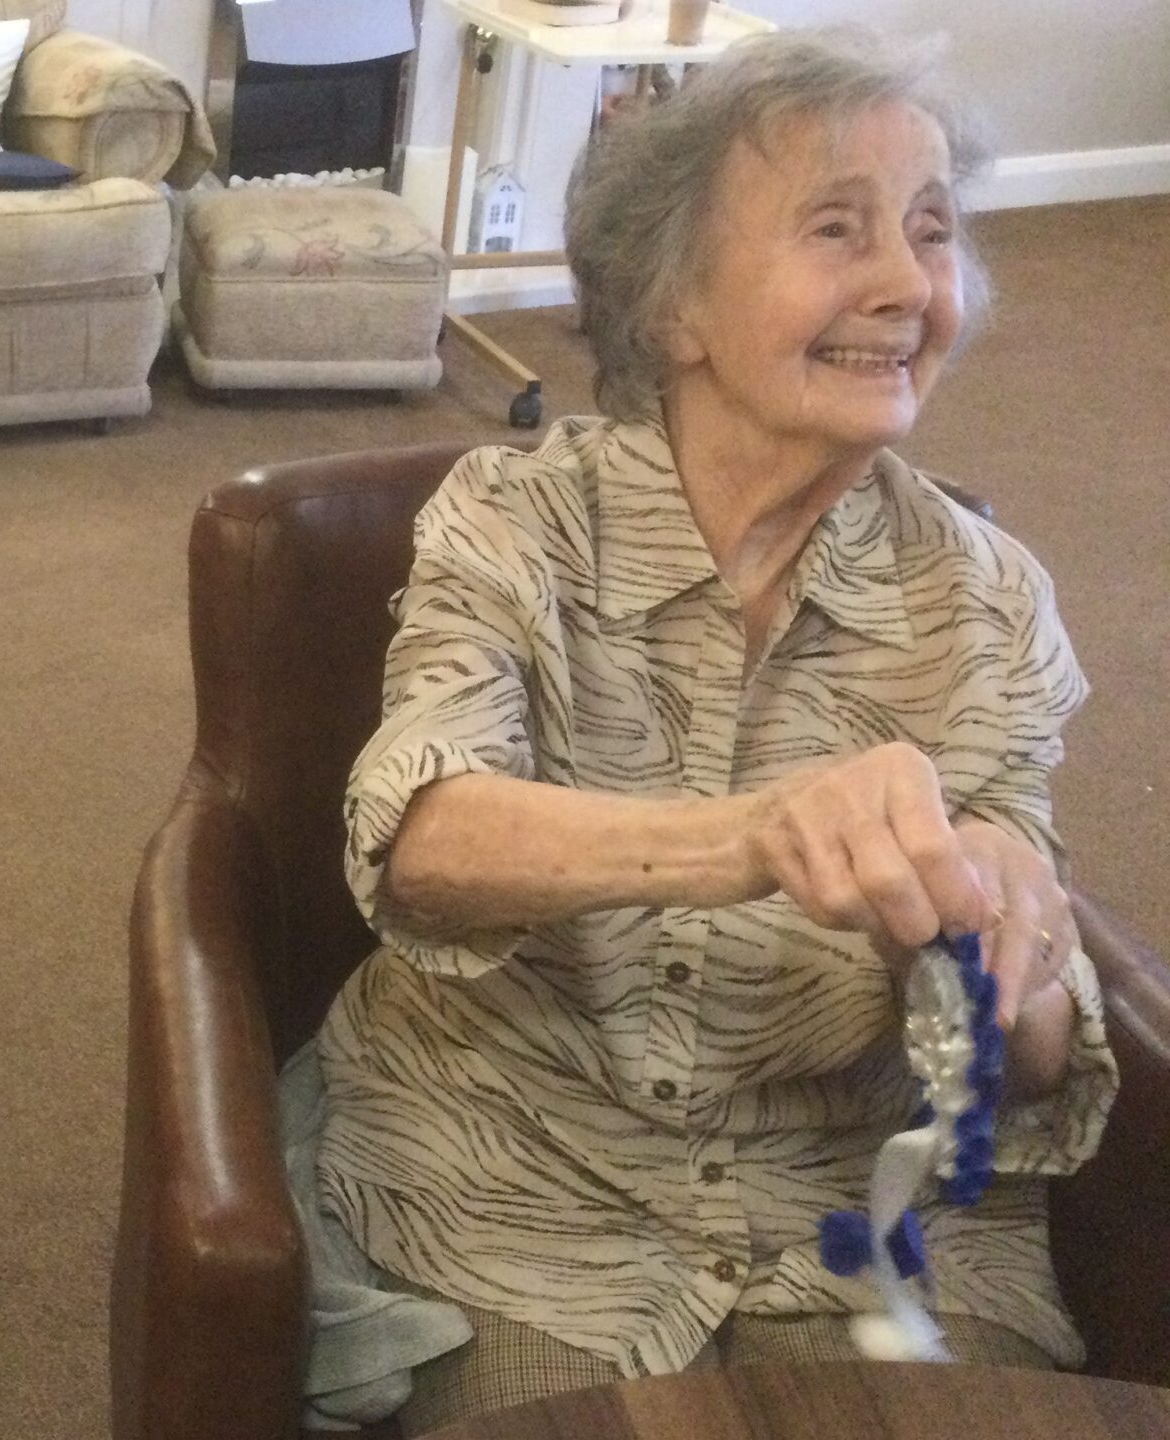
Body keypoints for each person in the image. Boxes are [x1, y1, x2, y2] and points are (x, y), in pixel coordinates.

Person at [314, 29, 1117, 1432]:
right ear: (675, 305)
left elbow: (1031, 1059)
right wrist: (749, 835)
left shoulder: (986, 601)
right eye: (837, 228)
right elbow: (426, 836)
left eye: (931, 233)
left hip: (871, 1219)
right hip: (521, 1197)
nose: (907, 284)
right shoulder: (518, 522)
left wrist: (1014, 955)